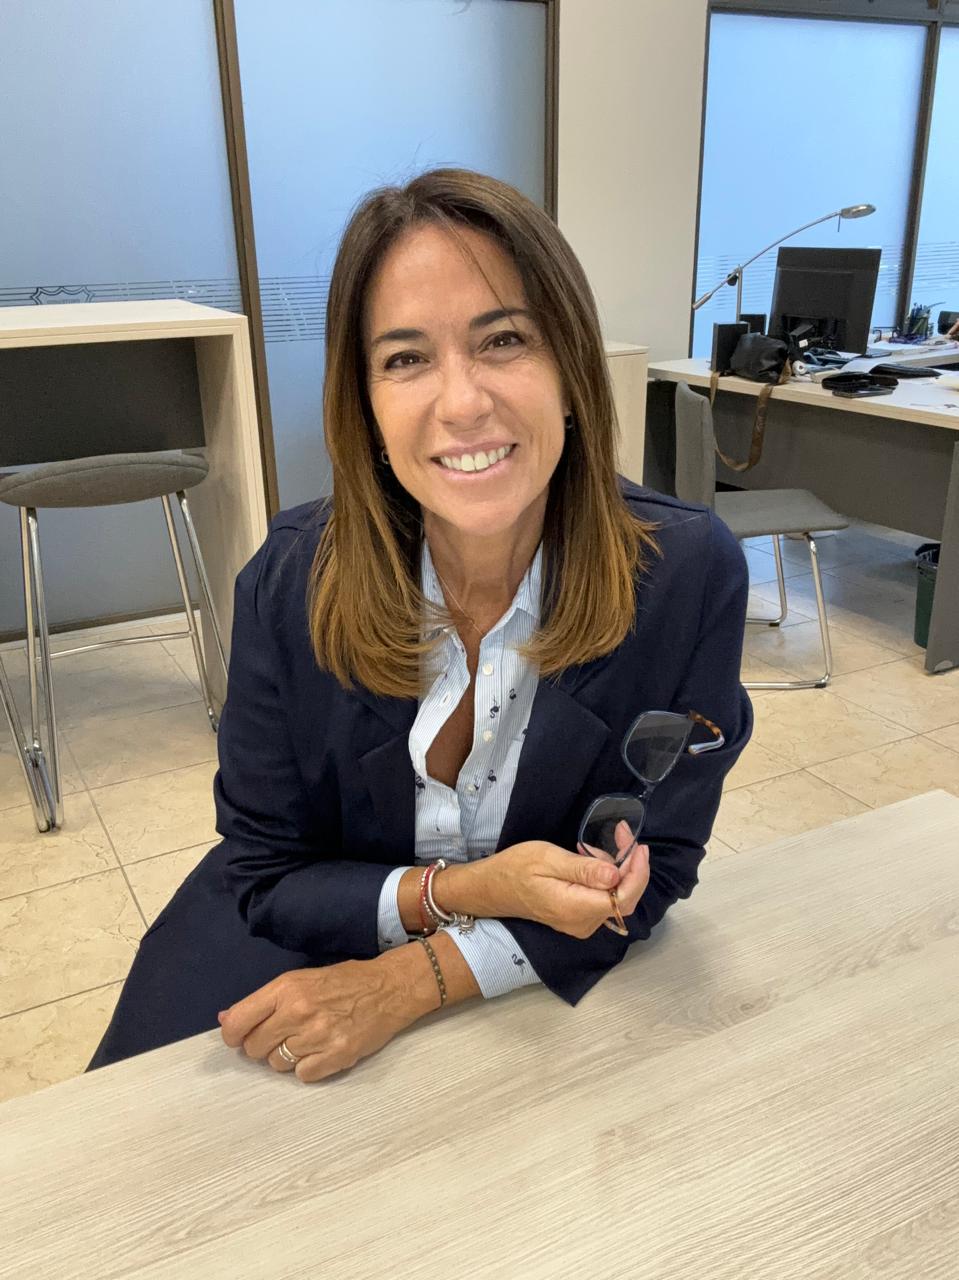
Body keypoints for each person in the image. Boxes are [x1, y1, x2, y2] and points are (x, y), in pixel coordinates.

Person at [89, 169, 752, 1082]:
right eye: (405, 359)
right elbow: (267, 875)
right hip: (295, 934)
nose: (462, 403)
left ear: (571, 372)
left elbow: (662, 860)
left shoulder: (686, 573)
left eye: (504, 340)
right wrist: (468, 891)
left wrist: (413, 980)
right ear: (363, 404)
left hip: (527, 976)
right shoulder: (288, 582)